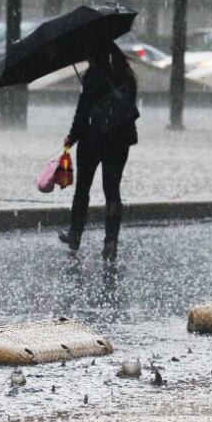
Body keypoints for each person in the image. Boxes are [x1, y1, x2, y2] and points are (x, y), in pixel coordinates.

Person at [58, 42, 138, 261]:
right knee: (112, 191)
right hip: (119, 140)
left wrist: (72, 137)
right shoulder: (126, 76)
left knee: (83, 188)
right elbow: (127, 109)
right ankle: (111, 241)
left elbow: (82, 113)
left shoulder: (92, 76)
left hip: (93, 139)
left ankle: (75, 234)